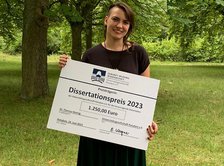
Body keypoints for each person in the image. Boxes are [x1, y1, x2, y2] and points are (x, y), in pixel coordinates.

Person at [59, 2, 158, 166]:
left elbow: (144, 100)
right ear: (106, 20)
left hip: (127, 136)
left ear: (129, 26)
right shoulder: (90, 55)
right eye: (116, 19)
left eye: (125, 22)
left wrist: (149, 122)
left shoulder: (138, 53)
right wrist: (67, 69)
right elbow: (81, 94)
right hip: (95, 136)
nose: (120, 25)